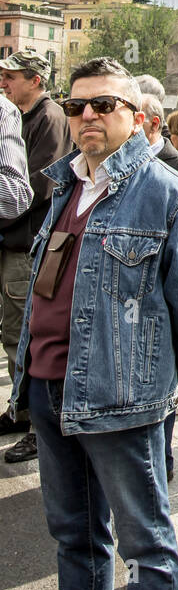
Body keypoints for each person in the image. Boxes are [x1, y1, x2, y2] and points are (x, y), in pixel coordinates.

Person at [10, 57, 178, 590]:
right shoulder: (67, 186)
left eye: (103, 105)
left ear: (140, 118)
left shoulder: (172, 194)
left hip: (122, 402)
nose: (86, 117)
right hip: (49, 390)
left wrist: (147, 367)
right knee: (76, 538)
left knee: (149, 550)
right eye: (76, 106)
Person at [0, 49, 71, 464]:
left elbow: (35, 188)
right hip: (15, 241)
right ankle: (20, 410)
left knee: (23, 340)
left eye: (12, 77)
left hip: (26, 245)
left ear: (36, 80)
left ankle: (33, 425)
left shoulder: (47, 118)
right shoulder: (25, 115)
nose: (5, 83)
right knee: (14, 335)